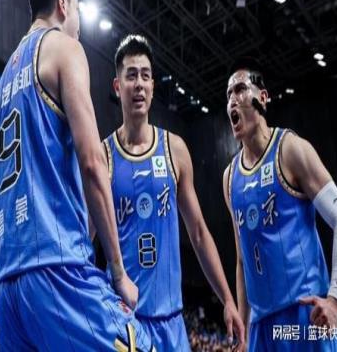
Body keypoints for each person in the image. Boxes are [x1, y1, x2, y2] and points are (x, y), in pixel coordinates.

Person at [0, 0, 154, 351]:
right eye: (78, 8)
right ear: (64, 4)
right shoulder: (64, 48)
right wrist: (118, 271)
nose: (78, 19)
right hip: (58, 270)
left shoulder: (2, 84)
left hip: (9, 286)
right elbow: (93, 163)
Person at [99, 34, 244, 351]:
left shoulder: (174, 149)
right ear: (117, 86)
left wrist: (228, 299)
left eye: (145, 76)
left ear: (153, 87)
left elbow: (199, 233)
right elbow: (84, 238)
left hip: (173, 324)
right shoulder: (102, 156)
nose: (139, 84)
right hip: (125, 323)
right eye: (131, 75)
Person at [222, 58, 337, 350]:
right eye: (228, 94)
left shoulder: (290, 149)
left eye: (240, 89)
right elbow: (242, 260)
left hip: (304, 317)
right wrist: (244, 331)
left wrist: (335, 300)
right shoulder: (229, 177)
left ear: (262, 97)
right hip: (261, 328)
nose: (232, 98)